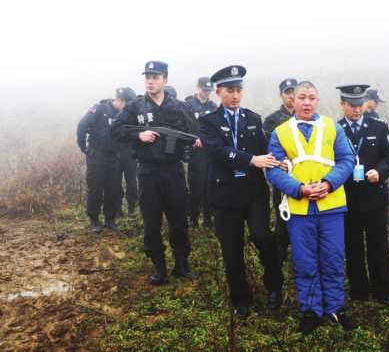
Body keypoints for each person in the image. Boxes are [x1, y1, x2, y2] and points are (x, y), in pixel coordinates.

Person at [266, 81, 356, 335]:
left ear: (318, 101)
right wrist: (299, 189)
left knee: (333, 259)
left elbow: (347, 160)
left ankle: (335, 308)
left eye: (312, 98)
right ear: (292, 100)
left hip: (332, 206)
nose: (307, 102)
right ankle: (311, 311)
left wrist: (329, 183)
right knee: (305, 261)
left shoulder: (333, 127)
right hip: (299, 209)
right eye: (302, 97)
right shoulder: (280, 132)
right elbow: (272, 169)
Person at [198, 65, 283, 318]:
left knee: (262, 237)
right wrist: (251, 160)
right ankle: (241, 298)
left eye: (238, 90)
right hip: (224, 195)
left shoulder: (253, 119)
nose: (235, 96)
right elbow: (218, 151)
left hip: (253, 192)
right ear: (218, 92)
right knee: (231, 248)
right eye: (230, 91)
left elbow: (267, 148)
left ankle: (275, 287)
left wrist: (280, 160)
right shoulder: (207, 122)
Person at [111, 60, 199, 285]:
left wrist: (194, 143)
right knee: (152, 222)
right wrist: (138, 135)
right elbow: (116, 130)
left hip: (174, 171)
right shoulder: (135, 107)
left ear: (165, 79)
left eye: (156, 77)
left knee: (179, 219)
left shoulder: (180, 107)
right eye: (148, 77)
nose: (150, 81)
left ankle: (182, 264)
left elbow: (194, 133)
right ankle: (159, 267)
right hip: (148, 172)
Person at [336, 84, 389, 309]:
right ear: (342, 104)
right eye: (351, 105)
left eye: (360, 104)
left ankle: (383, 290)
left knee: (378, 244)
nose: (357, 109)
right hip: (347, 198)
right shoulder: (335, 130)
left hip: (374, 197)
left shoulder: (379, 127)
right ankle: (359, 289)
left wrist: (379, 172)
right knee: (352, 245)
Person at [77, 90, 126, 233]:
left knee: (113, 189)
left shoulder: (123, 115)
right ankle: (94, 220)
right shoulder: (100, 109)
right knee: (96, 188)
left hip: (113, 157)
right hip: (97, 156)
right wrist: (84, 148)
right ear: (120, 100)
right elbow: (82, 126)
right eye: (126, 104)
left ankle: (110, 220)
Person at [263, 78, 297, 264]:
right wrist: (281, 162)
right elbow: (268, 149)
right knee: (282, 212)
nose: (291, 96)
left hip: (305, 174)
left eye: (294, 92)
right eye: (287, 92)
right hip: (282, 175)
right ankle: (281, 251)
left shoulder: (307, 117)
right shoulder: (272, 120)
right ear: (281, 95)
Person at [185, 77, 218, 228]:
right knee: (196, 185)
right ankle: (193, 217)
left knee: (209, 185)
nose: (206, 94)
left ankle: (207, 217)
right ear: (198, 88)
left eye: (209, 91)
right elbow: (184, 127)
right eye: (204, 90)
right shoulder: (189, 106)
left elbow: (216, 127)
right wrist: (193, 139)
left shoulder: (213, 106)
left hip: (210, 151)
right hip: (195, 152)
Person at [114, 87, 139, 219]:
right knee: (115, 182)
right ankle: (117, 209)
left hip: (130, 151)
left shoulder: (134, 114)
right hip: (116, 153)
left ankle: (131, 208)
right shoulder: (111, 112)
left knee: (131, 182)